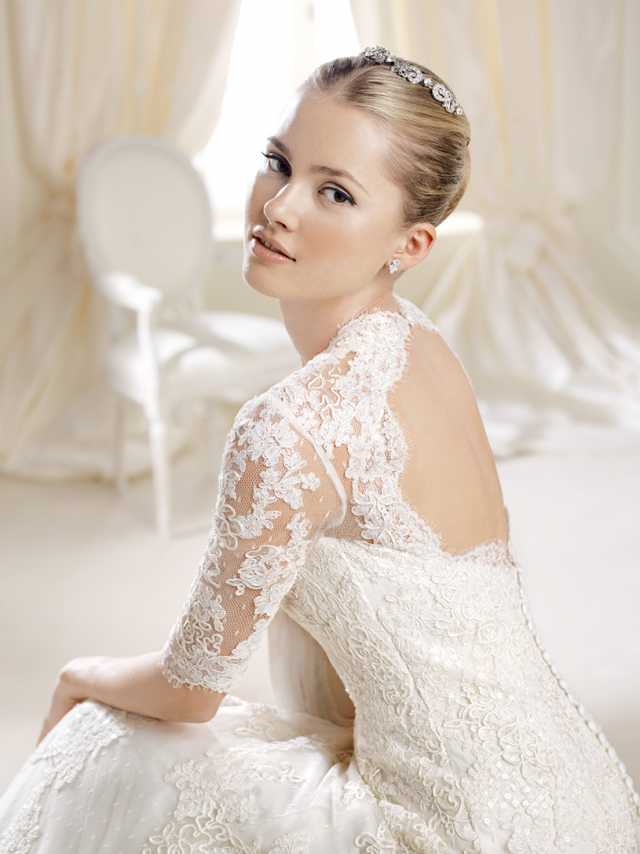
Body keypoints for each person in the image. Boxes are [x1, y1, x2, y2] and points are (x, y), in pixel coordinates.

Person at [0, 45, 638, 854]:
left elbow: (190, 690)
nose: (279, 206)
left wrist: (78, 676)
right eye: (278, 163)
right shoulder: (422, 345)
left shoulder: (289, 428)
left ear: (411, 246)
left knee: (102, 739)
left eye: (335, 192)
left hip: (450, 832)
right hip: (573, 798)